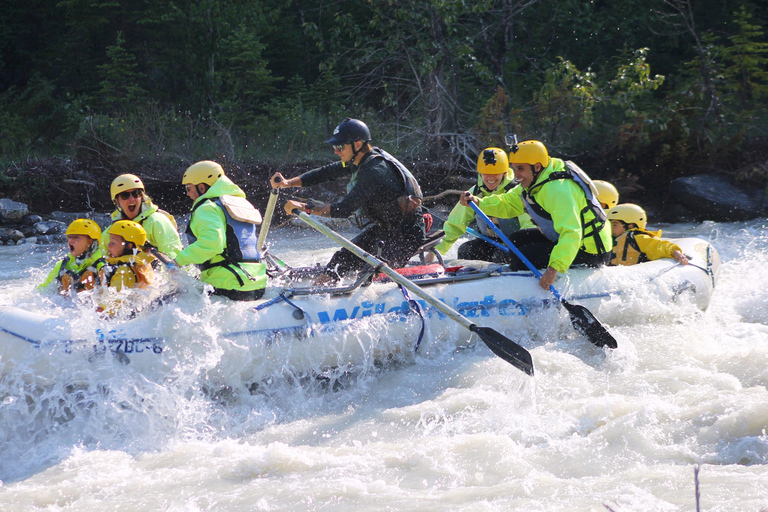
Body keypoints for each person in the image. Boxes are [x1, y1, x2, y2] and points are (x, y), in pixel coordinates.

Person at [271, 118, 427, 282]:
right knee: (337, 264)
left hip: (406, 234)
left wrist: (304, 207)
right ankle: (316, 297)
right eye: (334, 147)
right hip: (384, 229)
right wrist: (288, 183)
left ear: (357, 144)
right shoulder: (358, 161)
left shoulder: (375, 170)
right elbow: (326, 172)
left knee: (370, 275)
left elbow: (343, 209)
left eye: (340, 146)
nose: (336, 151)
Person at [460, 140, 613, 289]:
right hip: (567, 239)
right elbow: (508, 203)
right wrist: (478, 202)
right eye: (514, 168)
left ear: (537, 167)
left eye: (520, 169)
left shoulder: (559, 190)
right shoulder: (535, 181)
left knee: (526, 256)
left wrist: (553, 269)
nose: (516, 175)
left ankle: (528, 290)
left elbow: (572, 233)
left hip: (590, 249)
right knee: (516, 240)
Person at [172, 160, 268, 301]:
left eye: (188, 188)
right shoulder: (240, 204)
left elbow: (213, 243)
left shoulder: (207, 208)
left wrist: (179, 261)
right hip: (257, 284)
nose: (187, 194)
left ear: (202, 188)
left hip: (228, 284)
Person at [431, 147, 534, 261]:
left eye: (495, 173)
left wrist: (521, 247)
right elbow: (455, 224)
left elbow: (529, 226)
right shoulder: (474, 193)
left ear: (504, 173)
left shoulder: (516, 191)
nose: (490, 177)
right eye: (486, 173)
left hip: (514, 245)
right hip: (489, 243)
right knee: (466, 251)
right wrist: (437, 250)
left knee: (501, 257)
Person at [101, 174, 183, 259]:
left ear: (142, 197)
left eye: (136, 194)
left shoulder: (157, 221)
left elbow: (174, 255)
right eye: (125, 195)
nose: (132, 199)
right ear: (117, 201)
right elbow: (101, 260)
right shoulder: (110, 232)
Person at [38, 218, 105, 296]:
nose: (70, 240)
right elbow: (42, 291)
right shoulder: (61, 266)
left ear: (90, 242)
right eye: (69, 237)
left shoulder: (102, 267)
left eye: (76, 237)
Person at [607, 203, 688, 266]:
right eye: (609, 224)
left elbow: (658, 246)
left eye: (615, 224)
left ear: (630, 226)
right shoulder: (610, 238)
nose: (610, 228)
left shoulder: (639, 238)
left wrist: (675, 252)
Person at [99, 220, 156, 291]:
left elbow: (116, 300)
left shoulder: (123, 272)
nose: (108, 245)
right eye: (109, 242)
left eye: (113, 243)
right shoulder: (142, 262)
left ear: (129, 246)